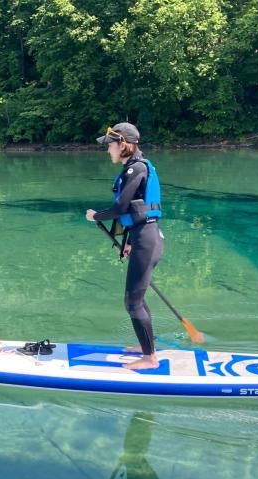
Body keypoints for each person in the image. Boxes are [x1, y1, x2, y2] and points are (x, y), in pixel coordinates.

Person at [86, 122, 164, 370]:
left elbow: (120, 208)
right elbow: (136, 211)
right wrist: (129, 242)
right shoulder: (135, 167)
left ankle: (150, 359)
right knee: (137, 299)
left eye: (109, 145)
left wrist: (95, 216)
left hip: (147, 240)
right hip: (142, 238)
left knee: (132, 302)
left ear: (122, 144)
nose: (108, 150)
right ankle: (146, 347)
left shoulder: (136, 168)